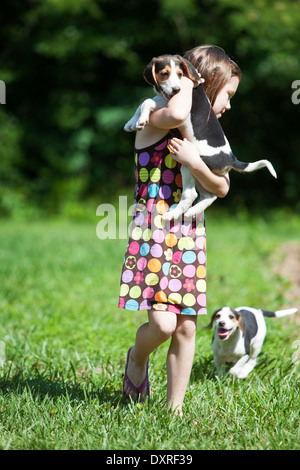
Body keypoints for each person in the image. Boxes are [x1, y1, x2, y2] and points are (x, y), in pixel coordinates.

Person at [119, 45, 241, 415]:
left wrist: (194, 162)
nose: (230, 105)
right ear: (204, 83)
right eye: (228, 95)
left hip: (189, 234)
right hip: (154, 231)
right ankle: (136, 357)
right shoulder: (157, 115)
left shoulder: (199, 135)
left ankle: (174, 410)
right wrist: (189, 84)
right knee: (162, 324)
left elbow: (222, 187)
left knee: (186, 327)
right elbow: (177, 110)